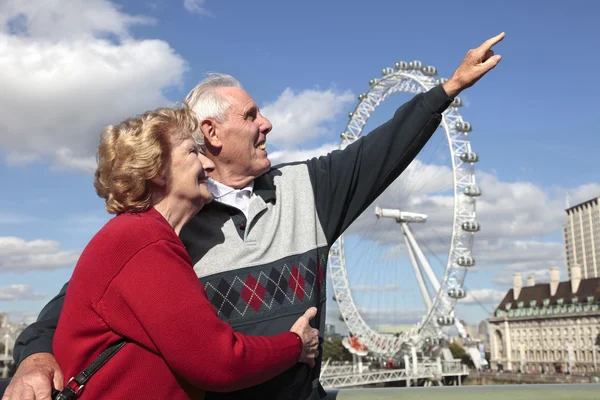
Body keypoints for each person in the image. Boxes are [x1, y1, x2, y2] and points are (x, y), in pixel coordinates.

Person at [5, 32, 504, 400]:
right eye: (251, 116)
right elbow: (72, 309)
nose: (268, 124)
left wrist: (448, 89)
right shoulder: (162, 230)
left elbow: (379, 152)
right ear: (211, 132)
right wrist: (34, 360)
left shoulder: (311, 190)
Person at [2, 107, 320, 400]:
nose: (209, 164)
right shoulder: (143, 241)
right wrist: (296, 345)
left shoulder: (135, 237)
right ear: (155, 169)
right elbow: (220, 362)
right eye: (193, 151)